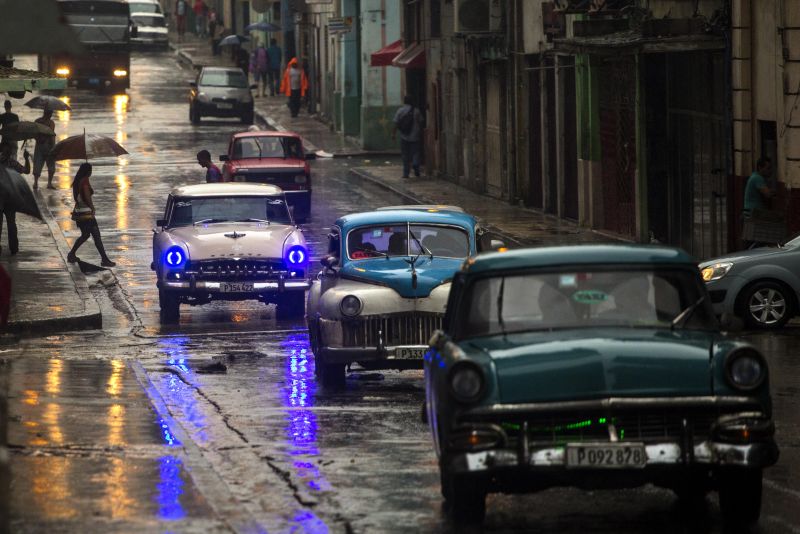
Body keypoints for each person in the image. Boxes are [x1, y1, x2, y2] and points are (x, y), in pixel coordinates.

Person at [67, 163, 115, 267]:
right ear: (88, 171)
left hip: (80, 213)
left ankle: (72, 254)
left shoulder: (77, 181)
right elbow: (87, 196)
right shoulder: (84, 181)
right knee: (95, 235)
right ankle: (104, 260)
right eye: (90, 170)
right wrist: (92, 207)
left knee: (86, 235)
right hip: (86, 214)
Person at [0, 142, 31, 255]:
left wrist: (26, 159)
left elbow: (26, 171)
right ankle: (13, 247)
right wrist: (26, 159)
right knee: (11, 224)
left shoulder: (11, 163)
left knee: (10, 224)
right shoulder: (12, 163)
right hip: (10, 198)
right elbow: (26, 170)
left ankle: (13, 247)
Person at [391, 96, 425, 179]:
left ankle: (406, 174)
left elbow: (395, 123)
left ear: (404, 101)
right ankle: (415, 164)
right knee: (416, 152)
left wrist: (393, 134)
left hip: (404, 136)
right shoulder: (416, 111)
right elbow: (421, 122)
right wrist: (420, 132)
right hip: (415, 136)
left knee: (405, 155)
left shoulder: (400, 111)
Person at [33, 109, 56, 190]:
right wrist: (54, 147)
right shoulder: (50, 123)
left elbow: (34, 133)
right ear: (49, 113)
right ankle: (47, 183)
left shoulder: (38, 121)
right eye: (51, 113)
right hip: (47, 145)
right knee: (49, 165)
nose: (51, 115)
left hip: (41, 145)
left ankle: (37, 183)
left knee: (38, 163)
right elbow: (52, 135)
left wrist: (38, 139)